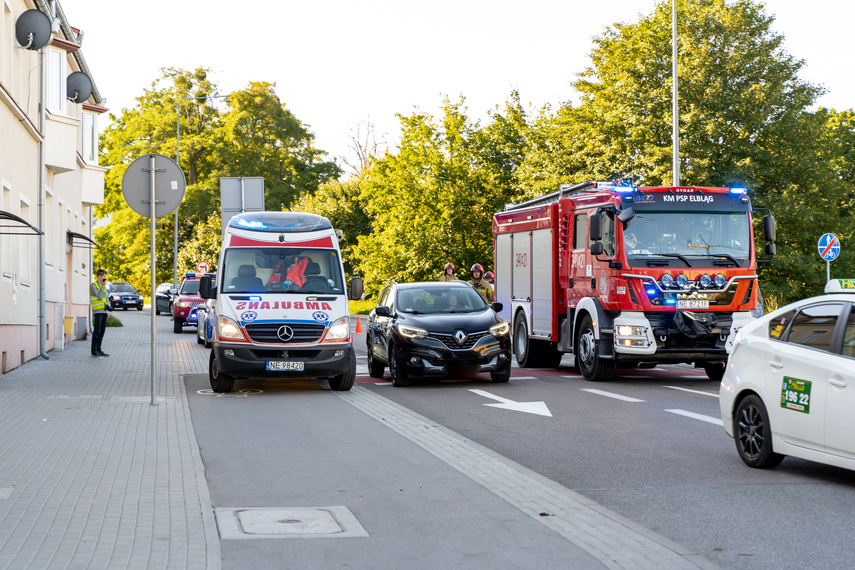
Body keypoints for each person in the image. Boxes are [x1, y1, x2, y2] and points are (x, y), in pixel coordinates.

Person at [89, 269, 111, 357]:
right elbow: (100, 296)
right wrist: (102, 286)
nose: (105, 279)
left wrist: (108, 306)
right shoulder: (94, 286)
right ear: (99, 276)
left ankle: (99, 349)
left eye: (105, 277)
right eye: (104, 277)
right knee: (97, 331)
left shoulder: (104, 286)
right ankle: (94, 351)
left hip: (104, 311)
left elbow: (106, 298)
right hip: (97, 311)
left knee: (102, 331)